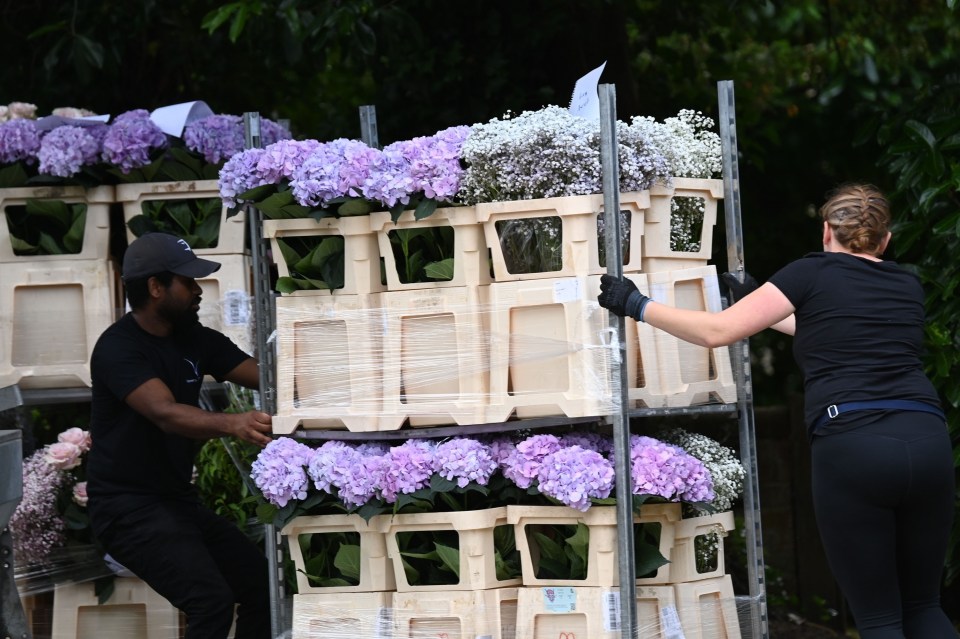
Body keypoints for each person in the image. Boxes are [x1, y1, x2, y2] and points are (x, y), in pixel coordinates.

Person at [599, 183, 956, 639]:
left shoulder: (810, 272)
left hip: (854, 445)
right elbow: (832, 329)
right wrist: (761, 305)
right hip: (926, 440)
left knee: (880, 619)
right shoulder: (906, 283)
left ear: (826, 230)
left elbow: (718, 331)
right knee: (924, 608)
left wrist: (637, 305)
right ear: (885, 239)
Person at [86, 232, 274, 639]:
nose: (198, 290)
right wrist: (235, 423)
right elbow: (165, 413)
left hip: (174, 503)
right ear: (156, 288)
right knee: (210, 602)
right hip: (127, 510)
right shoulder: (118, 349)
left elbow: (267, 377)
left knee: (263, 585)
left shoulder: (194, 338)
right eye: (188, 282)